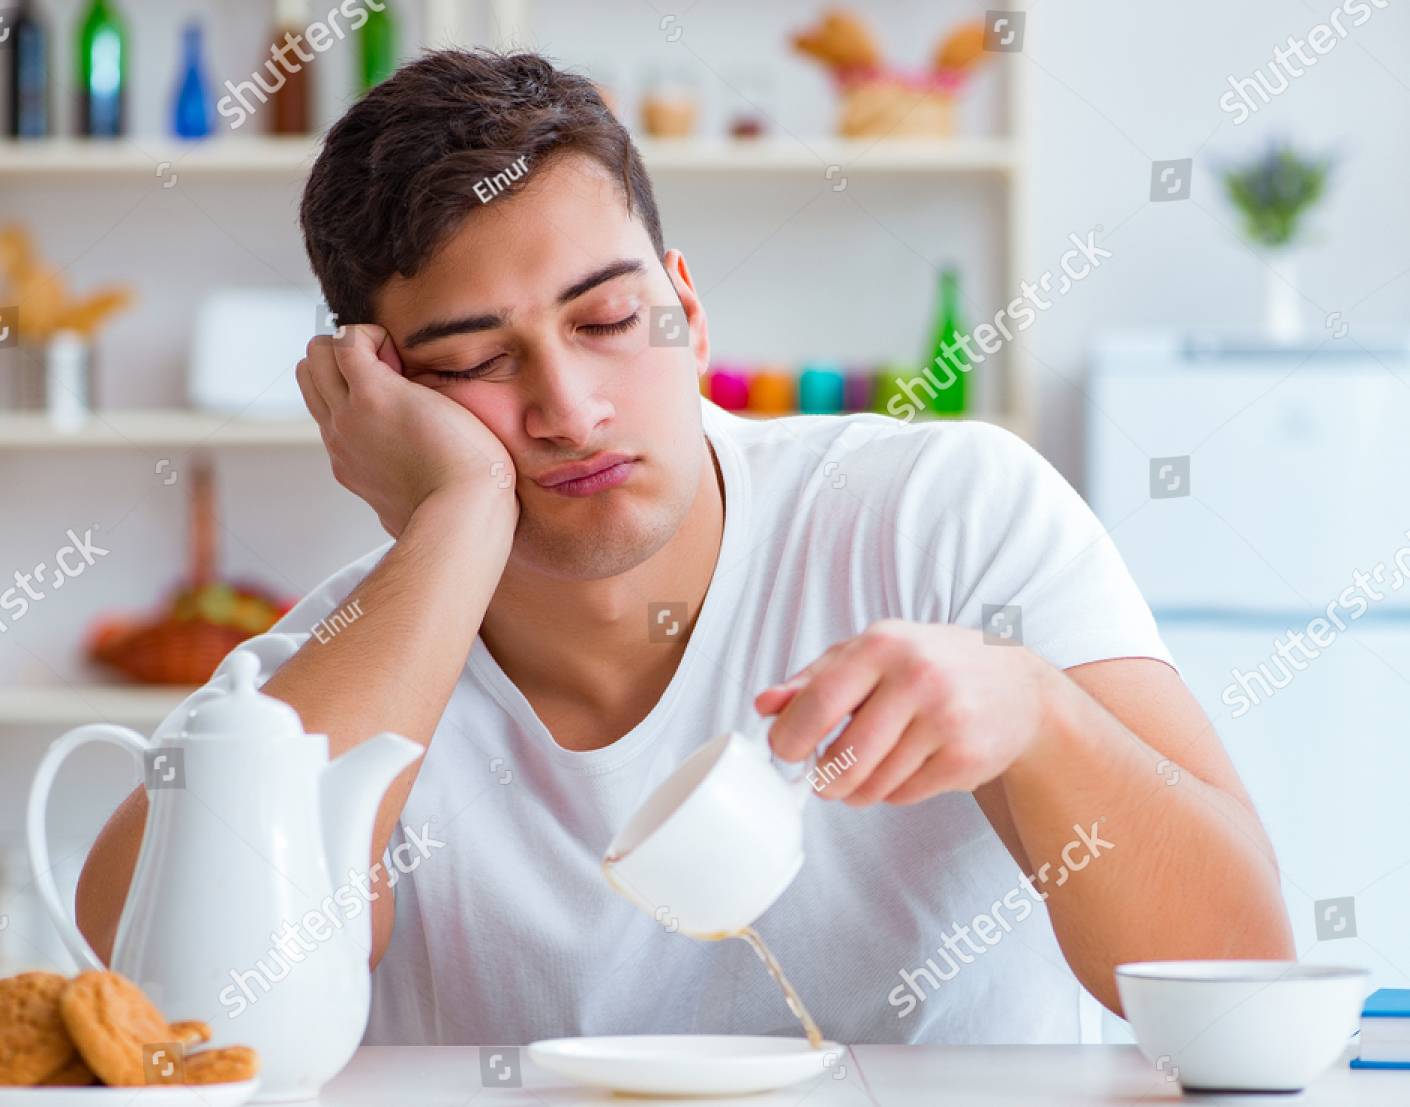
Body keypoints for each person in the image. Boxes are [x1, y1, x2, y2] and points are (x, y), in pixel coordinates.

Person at [76, 50, 1292, 1046]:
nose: (570, 406)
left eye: (608, 320)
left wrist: (1038, 715)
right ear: (377, 397)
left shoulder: (943, 510)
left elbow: (1240, 971)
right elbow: (187, 1023)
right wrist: (454, 523)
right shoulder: (360, 654)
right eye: (478, 363)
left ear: (688, 307)